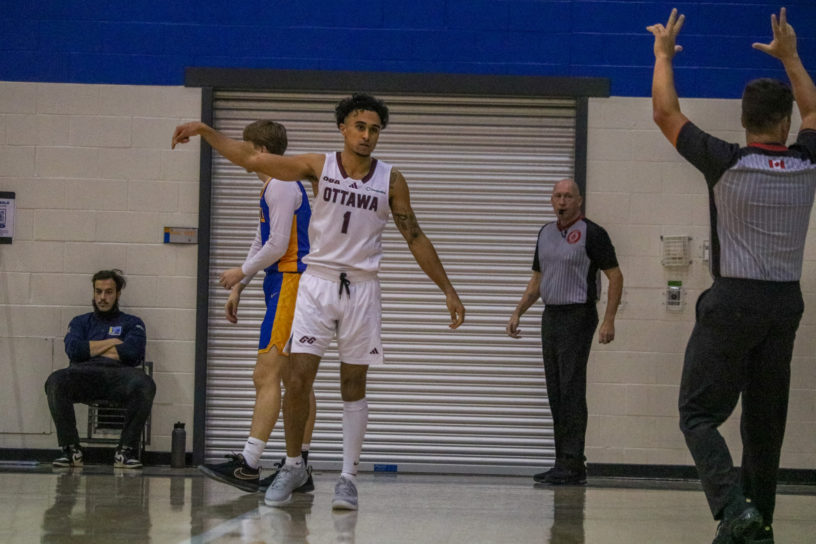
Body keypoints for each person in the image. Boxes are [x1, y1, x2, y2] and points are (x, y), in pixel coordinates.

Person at [172, 93, 466, 510]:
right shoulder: (317, 166)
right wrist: (204, 131)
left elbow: (414, 236)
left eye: (374, 129)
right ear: (343, 128)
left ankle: (348, 477)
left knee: (353, 384)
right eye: (359, 126)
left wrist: (447, 289)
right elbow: (254, 160)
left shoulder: (392, 180)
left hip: (362, 288)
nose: (367, 135)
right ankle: (294, 466)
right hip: (318, 283)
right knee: (296, 380)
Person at [648, 8, 816, 544]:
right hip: (785, 304)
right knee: (764, 430)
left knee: (697, 413)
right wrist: (791, 56)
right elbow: (815, 109)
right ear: (784, 123)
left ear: (744, 122)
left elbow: (664, 113)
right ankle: (759, 526)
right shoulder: (806, 162)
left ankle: (733, 510)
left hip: (733, 301)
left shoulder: (725, 160)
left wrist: (663, 56)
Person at [197, 120, 318, 494]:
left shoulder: (281, 184)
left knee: (265, 375)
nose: (241, 157)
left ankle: (249, 464)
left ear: (260, 151)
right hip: (284, 283)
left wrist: (240, 271)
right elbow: (261, 238)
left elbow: (279, 245)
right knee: (297, 380)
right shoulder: (274, 185)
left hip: (290, 283)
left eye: (245, 149)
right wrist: (243, 285)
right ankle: (299, 466)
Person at [506, 179, 622, 485]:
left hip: (578, 315)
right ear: (551, 200)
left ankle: (573, 462)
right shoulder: (545, 233)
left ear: (579, 201)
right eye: (558, 196)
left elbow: (615, 276)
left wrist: (609, 319)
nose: (562, 201)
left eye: (568, 196)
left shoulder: (593, 234)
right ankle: (562, 461)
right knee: (556, 390)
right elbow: (537, 281)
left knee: (571, 388)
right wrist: (518, 311)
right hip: (552, 315)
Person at [44, 269, 154, 469]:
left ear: (118, 294)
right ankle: (71, 450)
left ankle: (125, 451)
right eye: (98, 291)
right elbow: (74, 351)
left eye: (109, 292)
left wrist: (91, 349)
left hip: (119, 377)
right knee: (55, 381)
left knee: (145, 384)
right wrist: (112, 342)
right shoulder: (80, 322)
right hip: (84, 376)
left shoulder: (132, 323)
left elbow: (131, 353)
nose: (103, 297)